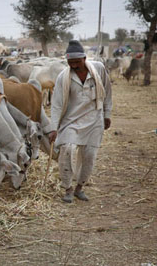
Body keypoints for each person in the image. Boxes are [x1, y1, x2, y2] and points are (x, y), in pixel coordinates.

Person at [48, 40, 112, 203]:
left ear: (84, 58)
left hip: (94, 119)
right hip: (71, 121)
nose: (74, 65)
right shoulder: (64, 76)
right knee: (67, 150)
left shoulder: (98, 69)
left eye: (77, 62)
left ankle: (79, 188)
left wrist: (107, 114)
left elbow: (107, 92)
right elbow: (56, 103)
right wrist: (53, 127)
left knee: (89, 154)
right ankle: (67, 188)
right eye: (71, 62)